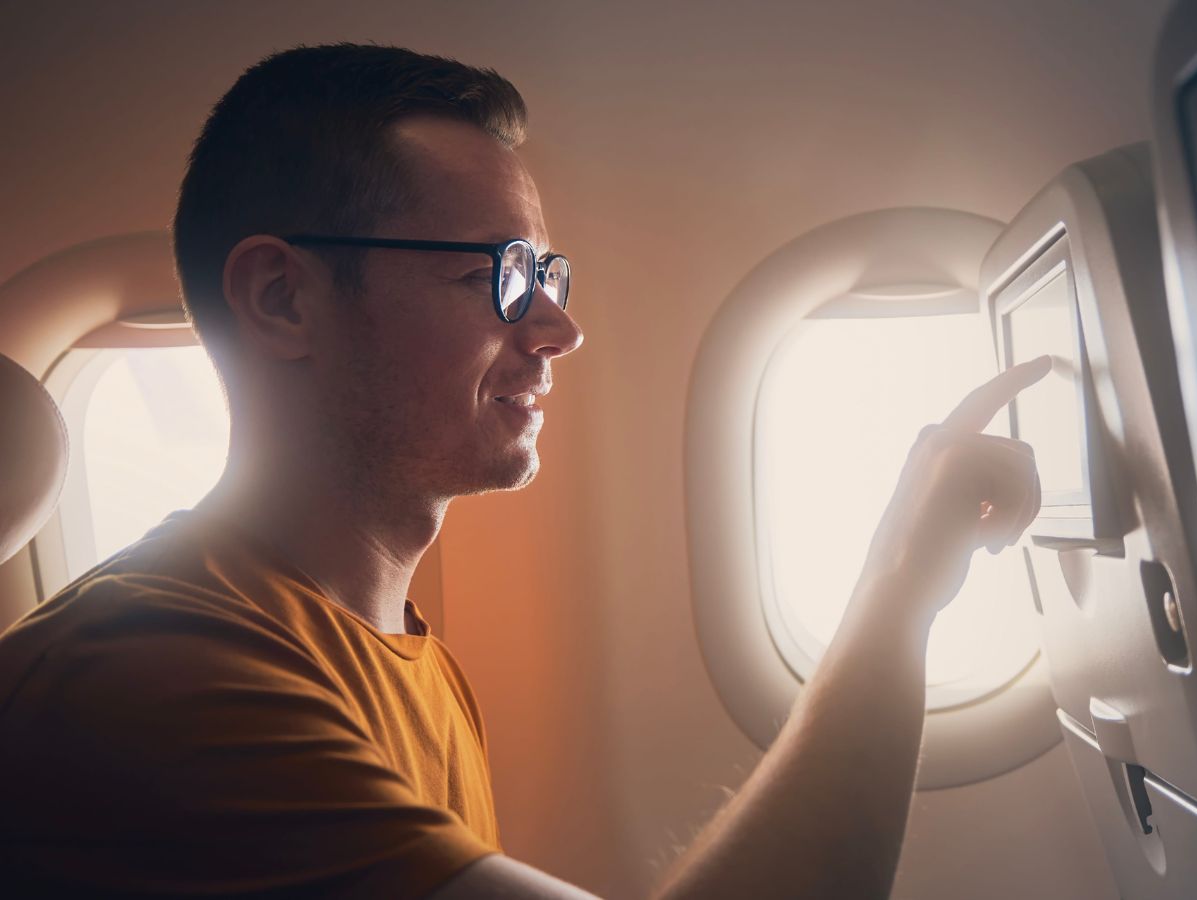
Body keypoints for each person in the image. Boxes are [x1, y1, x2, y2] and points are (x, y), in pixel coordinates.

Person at [0, 43, 1045, 899]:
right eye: (499, 275)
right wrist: (902, 584)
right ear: (282, 299)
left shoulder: (410, 660)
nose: (558, 327)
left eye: (545, 272)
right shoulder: (145, 672)